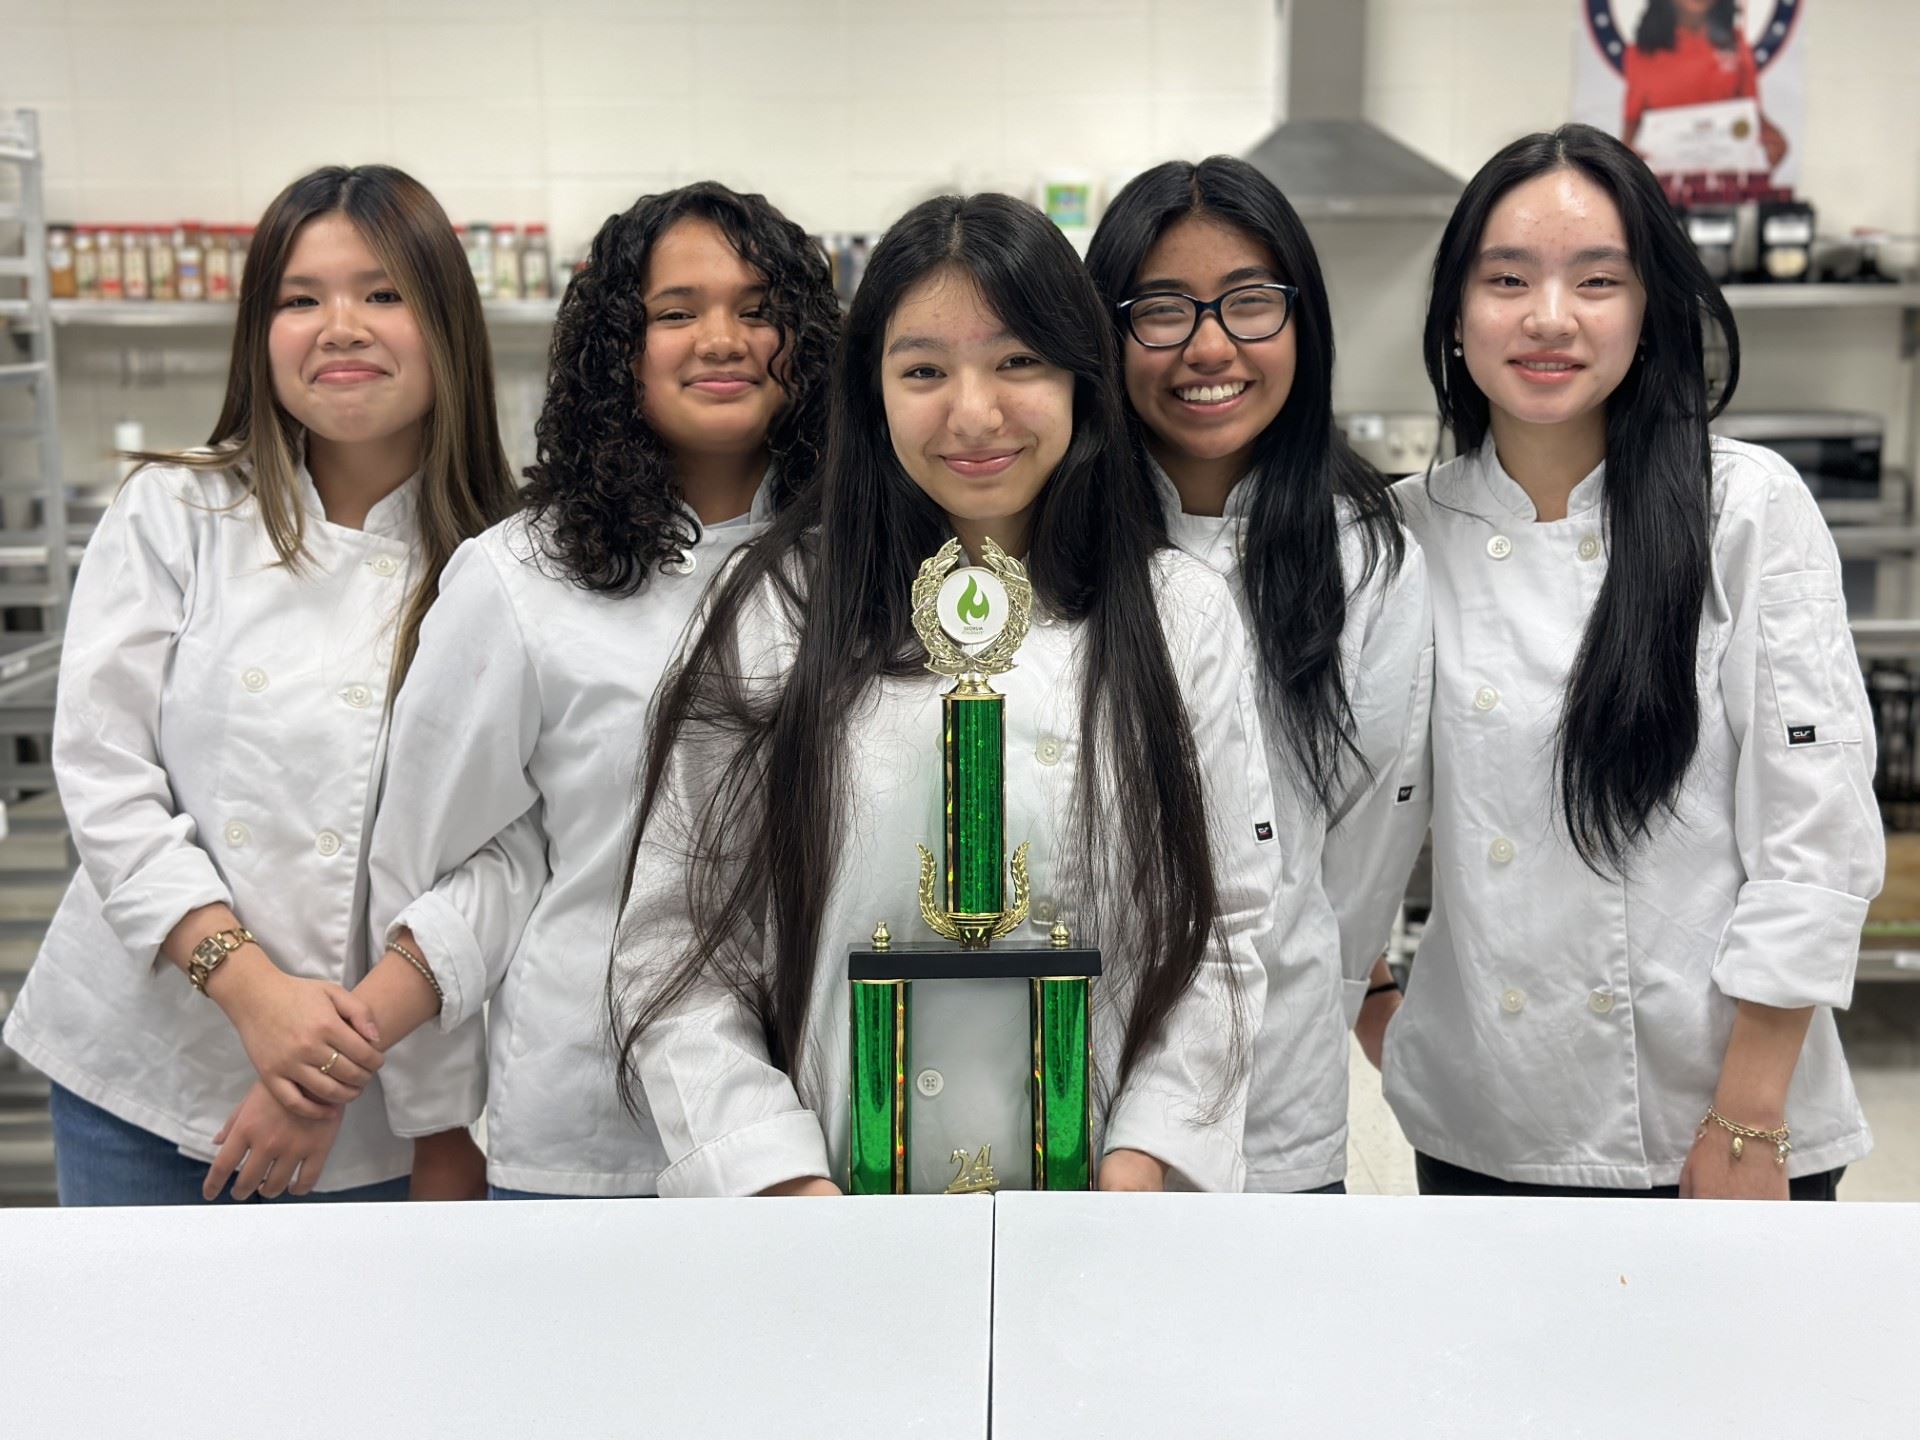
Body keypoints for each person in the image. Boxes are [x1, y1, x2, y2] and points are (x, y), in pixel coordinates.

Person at [611, 193, 1278, 1197]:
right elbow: (679, 938)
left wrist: (1146, 1162)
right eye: (923, 370)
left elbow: (1223, 925)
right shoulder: (780, 605)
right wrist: (780, 1179)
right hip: (834, 1206)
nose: (972, 414)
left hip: (1105, 1212)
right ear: (871, 391)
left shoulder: (1177, 613)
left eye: (1019, 361)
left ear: (1082, 378)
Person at [2, 165, 517, 1204]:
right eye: (299, 299)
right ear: (260, 333)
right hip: (146, 1071)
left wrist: (322, 1062)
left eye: (382, 293)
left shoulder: (513, 560)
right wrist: (253, 995)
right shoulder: (174, 513)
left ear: (448, 324)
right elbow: (105, 772)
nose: (340, 327)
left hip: (379, 1106)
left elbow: (512, 853)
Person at [1388, 123, 1879, 1199]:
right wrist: (1379, 1000)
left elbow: (1815, 827)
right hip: (1485, 1125)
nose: (1549, 317)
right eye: (1506, 279)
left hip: (1728, 1117)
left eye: (1597, 280)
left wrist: (1747, 1115)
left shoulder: (1742, 506)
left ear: (1650, 308)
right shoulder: (1404, 534)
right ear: (1455, 315)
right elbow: (1349, 814)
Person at [356, 183, 839, 1199]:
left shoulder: (868, 565)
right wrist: (437, 1121)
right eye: (676, 312)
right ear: (618, 346)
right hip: (591, 1134)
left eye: (759, 310)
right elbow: (429, 864)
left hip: (827, 1121)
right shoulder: (519, 577)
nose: (723, 340)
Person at [1086, 156, 1429, 1195]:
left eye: (1248, 302)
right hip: (1076, 1071)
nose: (1209, 347)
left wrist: (1316, 978)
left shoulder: (1365, 554)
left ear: (1301, 322)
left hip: (1279, 1079)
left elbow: (1365, 851)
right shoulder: (1059, 541)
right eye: (1162, 310)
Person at [1623, 0, 1788, 172]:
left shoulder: (1735, 44)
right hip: (1666, 182)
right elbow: (1629, 132)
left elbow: (1753, 116)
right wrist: (1631, 161)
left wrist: (1773, 144)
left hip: (1726, 178)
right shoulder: (1641, 53)